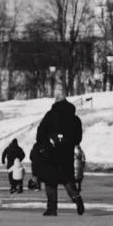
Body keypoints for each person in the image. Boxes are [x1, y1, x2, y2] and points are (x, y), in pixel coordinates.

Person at [34, 87, 85, 216]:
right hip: (66, 153)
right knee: (67, 179)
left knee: (50, 182)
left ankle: (52, 208)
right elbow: (78, 137)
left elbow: (41, 132)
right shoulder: (74, 118)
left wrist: (42, 146)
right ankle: (75, 196)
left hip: (51, 153)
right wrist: (70, 144)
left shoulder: (50, 115)